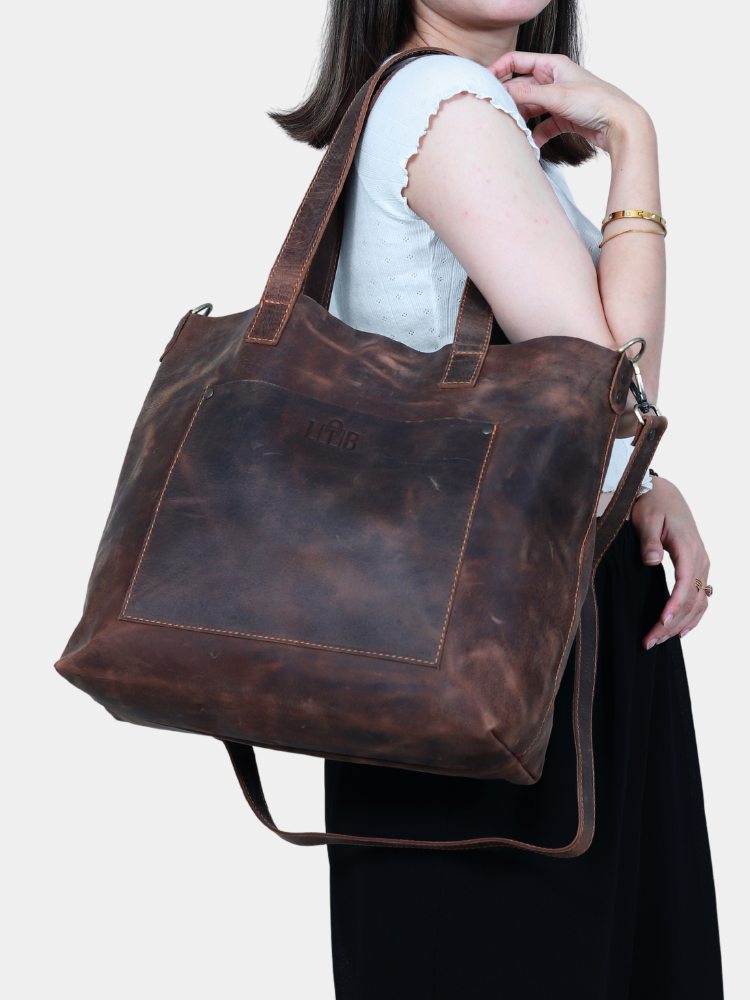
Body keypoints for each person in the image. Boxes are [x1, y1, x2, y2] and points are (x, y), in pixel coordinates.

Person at [271, 2, 723, 996]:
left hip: (486, 630)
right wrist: (635, 140)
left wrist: (649, 485)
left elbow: (593, 423)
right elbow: (611, 395)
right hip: (501, 643)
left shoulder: (444, 106)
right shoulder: (444, 102)